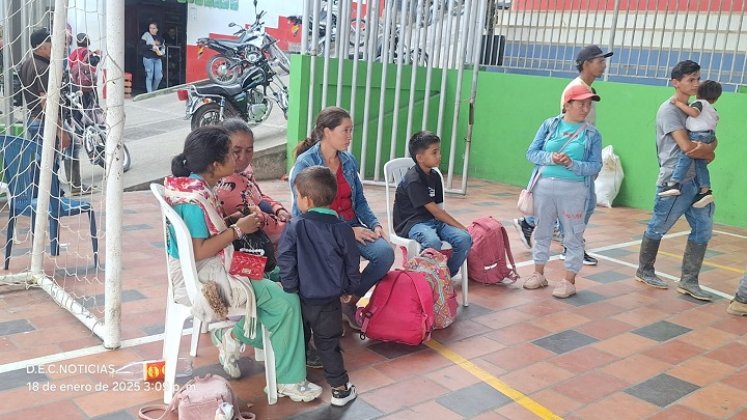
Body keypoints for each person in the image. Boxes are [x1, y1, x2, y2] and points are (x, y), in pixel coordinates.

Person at [164, 126, 322, 402]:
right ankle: (288, 380)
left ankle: (234, 337)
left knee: (275, 273)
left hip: (214, 266)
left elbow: (205, 236)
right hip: (209, 276)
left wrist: (234, 221)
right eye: (230, 153)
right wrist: (238, 230)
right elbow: (200, 249)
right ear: (215, 165)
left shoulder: (191, 186)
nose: (236, 158)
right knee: (286, 301)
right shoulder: (194, 199)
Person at [292, 107, 395, 330]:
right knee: (338, 259)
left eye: (351, 130)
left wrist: (375, 225)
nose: (349, 136)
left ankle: (350, 300)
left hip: (351, 225)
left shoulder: (348, 161)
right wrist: (347, 232)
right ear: (327, 132)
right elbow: (306, 213)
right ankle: (329, 308)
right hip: (320, 230)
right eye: (345, 130)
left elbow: (360, 201)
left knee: (385, 254)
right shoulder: (305, 163)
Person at [513, 44, 613, 266]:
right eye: (600, 61)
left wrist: (586, 165)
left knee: (575, 207)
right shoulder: (574, 89)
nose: (604, 65)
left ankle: (537, 227)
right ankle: (565, 246)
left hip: (576, 166)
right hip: (566, 170)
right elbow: (561, 132)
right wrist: (574, 163)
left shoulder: (585, 90)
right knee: (579, 207)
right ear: (586, 64)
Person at [635, 60, 716, 301]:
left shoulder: (696, 108)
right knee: (658, 225)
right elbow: (688, 147)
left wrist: (707, 148)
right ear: (675, 82)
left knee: (703, 228)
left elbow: (711, 145)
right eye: (691, 79)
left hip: (696, 180)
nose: (696, 84)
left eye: (698, 79)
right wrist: (707, 149)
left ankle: (689, 281)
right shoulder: (669, 110)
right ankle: (644, 270)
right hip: (675, 181)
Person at [278, 166, 360, 407]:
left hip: (300, 299)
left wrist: (290, 286)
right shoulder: (343, 229)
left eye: (297, 196)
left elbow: (285, 257)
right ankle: (340, 391)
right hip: (329, 302)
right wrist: (348, 288)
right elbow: (351, 262)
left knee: (298, 340)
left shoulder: (296, 226)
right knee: (329, 345)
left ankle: (295, 380)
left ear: (307, 199)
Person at [522, 85, 603, 298]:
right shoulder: (550, 125)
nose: (586, 109)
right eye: (581, 104)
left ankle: (569, 280)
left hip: (575, 191)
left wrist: (572, 164)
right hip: (543, 187)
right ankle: (538, 274)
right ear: (567, 104)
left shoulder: (592, 134)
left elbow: (595, 165)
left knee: (572, 235)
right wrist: (550, 158)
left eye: (589, 105)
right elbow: (531, 153)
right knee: (542, 231)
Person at [392, 131, 472, 277]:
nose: (439, 156)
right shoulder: (413, 180)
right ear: (420, 158)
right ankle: (425, 277)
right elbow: (437, 212)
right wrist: (462, 226)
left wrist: (462, 231)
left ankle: (445, 275)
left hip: (433, 222)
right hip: (413, 224)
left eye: (438, 152)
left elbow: (439, 209)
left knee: (464, 239)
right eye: (434, 152)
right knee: (432, 241)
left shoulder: (435, 176)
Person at [216, 119, 291, 247]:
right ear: (222, 150)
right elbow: (260, 222)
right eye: (236, 151)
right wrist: (289, 227)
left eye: (249, 150)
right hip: (254, 244)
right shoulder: (227, 187)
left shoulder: (244, 170)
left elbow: (258, 196)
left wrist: (278, 209)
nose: (243, 157)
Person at [18, 28, 71, 194]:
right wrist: (60, 130)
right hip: (43, 122)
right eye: (51, 43)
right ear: (41, 47)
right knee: (48, 161)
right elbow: (46, 101)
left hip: (33, 119)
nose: (55, 46)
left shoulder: (26, 64)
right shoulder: (43, 68)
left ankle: (46, 192)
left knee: (43, 160)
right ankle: (47, 194)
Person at [658, 80, 721, 209]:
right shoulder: (713, 109)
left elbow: (694, 113)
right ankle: (705, 190)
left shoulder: (699, 103)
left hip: (697, 135)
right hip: (709, 136)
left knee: (685, 156)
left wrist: (678, 103)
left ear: (698, 93)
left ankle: (674, 183)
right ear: (715, 99)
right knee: (701, 164)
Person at [140, 21, 164, 93]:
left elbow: (163, 48)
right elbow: (141, 46)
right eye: (150, 28)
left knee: (159, 77)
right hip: (148, 58)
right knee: (149, 76)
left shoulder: (160, 38)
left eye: (154, 28)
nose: (152, 30)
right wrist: (151, 46)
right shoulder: (146, 36)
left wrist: (161, 52)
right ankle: (149, 93)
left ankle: (153, 91)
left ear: (157, 29)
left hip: (157, 58)